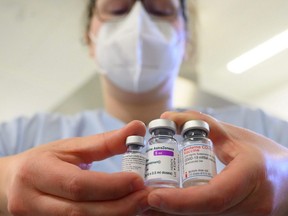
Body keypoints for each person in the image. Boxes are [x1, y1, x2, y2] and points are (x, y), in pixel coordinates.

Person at [0, 0, 288, 215]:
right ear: (90, 39)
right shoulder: (22, 136)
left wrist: (282, 181)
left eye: (161, 10)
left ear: (186, 42)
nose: (138, 24)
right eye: (117, 9)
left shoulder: (258, 130)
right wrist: (8, 179)